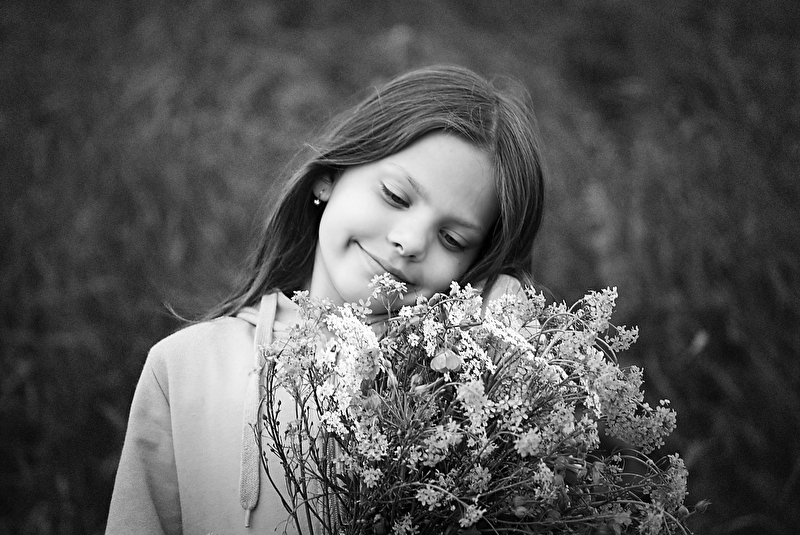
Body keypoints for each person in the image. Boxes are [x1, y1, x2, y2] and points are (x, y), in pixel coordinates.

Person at [106, 65, 547, 534]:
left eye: (453, 239)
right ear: (329, 177)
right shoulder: (185, 367)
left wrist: (504, 342)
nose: (411, 241)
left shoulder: (462, 403)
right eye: (395, 196)